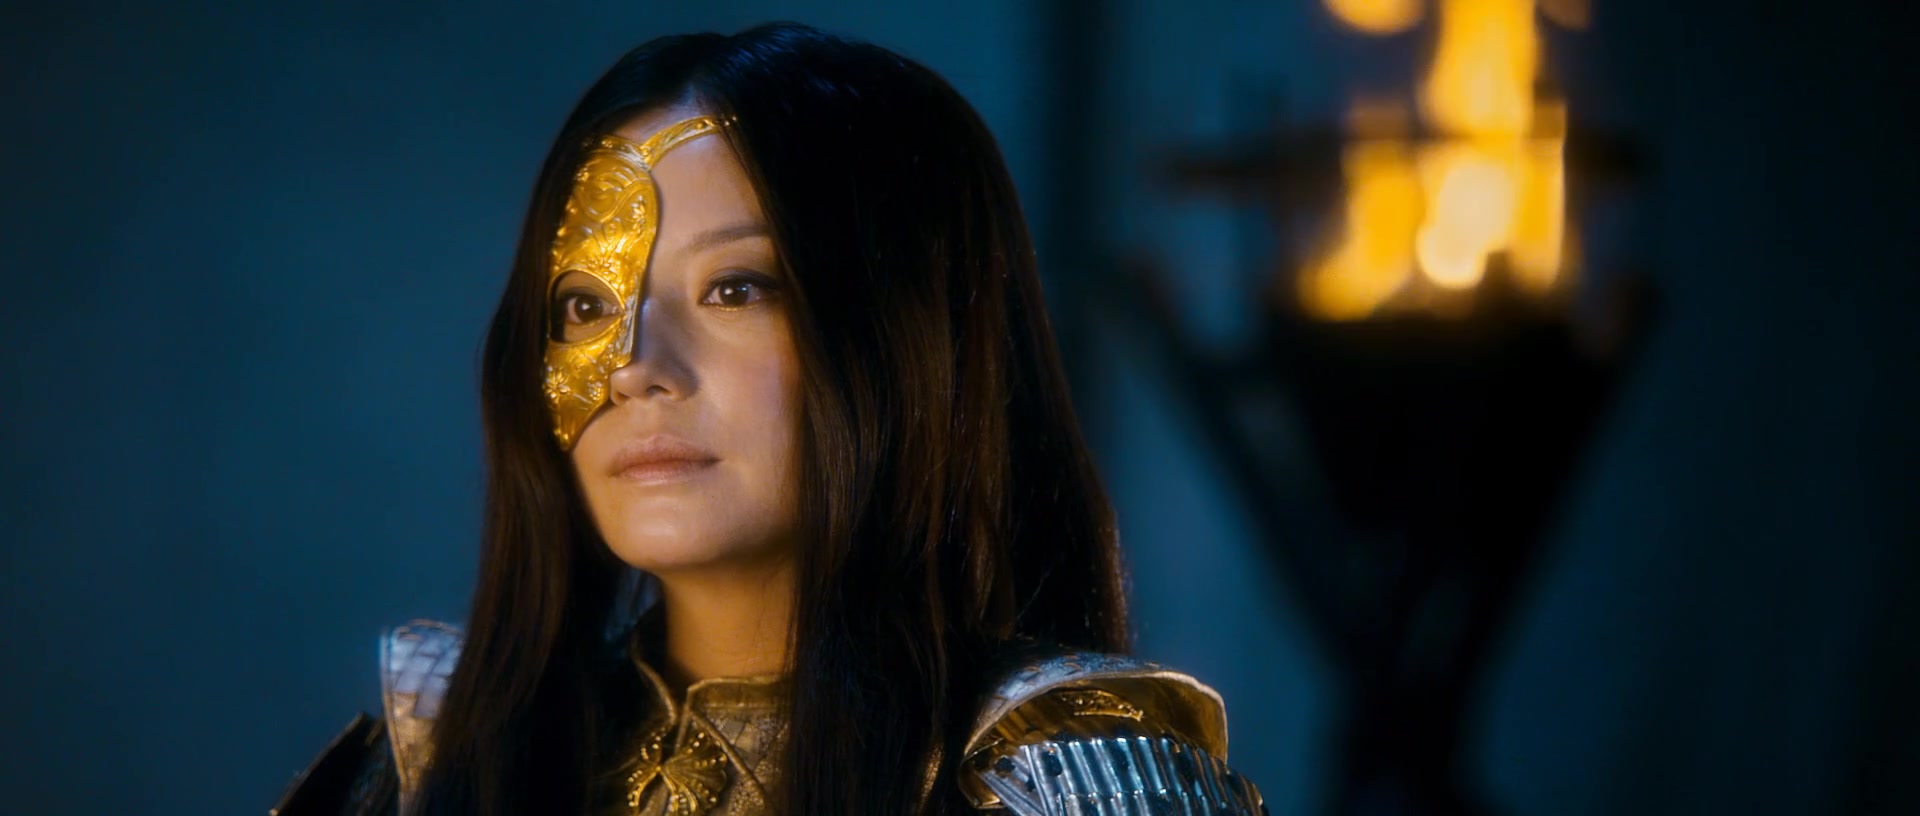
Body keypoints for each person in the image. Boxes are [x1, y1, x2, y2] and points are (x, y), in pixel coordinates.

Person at [272, 22, 1266, 816]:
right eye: (583, 306)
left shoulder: (1070, 775)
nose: (633, 370)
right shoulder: (430, 769)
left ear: (908, 335)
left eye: (736, 288)